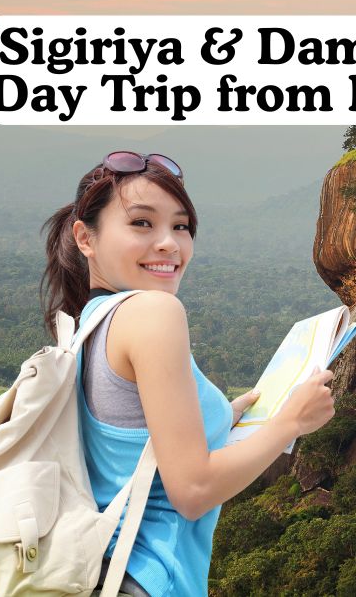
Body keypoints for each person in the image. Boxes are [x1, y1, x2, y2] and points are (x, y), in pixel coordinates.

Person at [41, 152, 337, 596]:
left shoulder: (89, 320)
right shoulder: (154, 312)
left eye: (180, 226)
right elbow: (193, 491)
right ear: (85, 237)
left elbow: (131, 440)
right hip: (148, 579)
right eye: (142, 223)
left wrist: (222, 417)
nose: (168, 243)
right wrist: (291, 422)